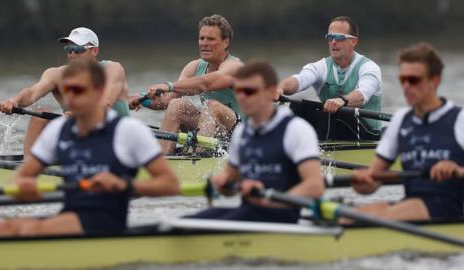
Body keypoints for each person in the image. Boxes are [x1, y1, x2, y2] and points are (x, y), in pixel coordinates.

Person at [0, 59, 179, 236]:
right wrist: (22, 184)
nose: (70, 96)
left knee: (30, 230)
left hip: (105, 222)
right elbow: (21, 175)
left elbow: (169, 184)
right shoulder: (59, 130)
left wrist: (125, 185)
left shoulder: (129, 131)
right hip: (70, 214)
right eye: (67, 89)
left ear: (99, 91)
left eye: (78, 90)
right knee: (3, 229)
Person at [186, 60, 325, 223]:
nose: (242, 97)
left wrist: (270, 200)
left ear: (271, 92)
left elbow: (315, 187)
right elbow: (231, 184)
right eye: (238, 91)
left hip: (282, 218)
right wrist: (222, 183)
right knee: (184, 222)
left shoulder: (296, 130)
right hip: (248, 213)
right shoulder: (241, 132)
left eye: (249, 91)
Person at [351, 43, 464, 221]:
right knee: (352, 215)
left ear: (434, 80)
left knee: (389, 212)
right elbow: (374, 179)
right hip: (410, 208)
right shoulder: (401, 120)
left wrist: (461, 171)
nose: (407, 87)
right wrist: (362, 183)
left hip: (445, 212)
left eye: (414, 80)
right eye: (403, 80)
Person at [0, 27, 131, 156]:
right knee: (39, 117)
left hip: (117, 140)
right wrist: (13, 100)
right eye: (69, 49)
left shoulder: (112, 69)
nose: (72, 55)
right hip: (82, 139)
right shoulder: (57, 74)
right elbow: (31, 93)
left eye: (78, 50)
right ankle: (28, 171)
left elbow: (106, 102)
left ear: (94, 51)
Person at [128, 14, 243, 154]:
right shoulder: (193, 67)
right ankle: (164, 160)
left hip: (242, 133)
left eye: (211, 39)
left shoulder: (234, 66)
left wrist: (168, 85)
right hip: (212, 129)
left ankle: (198, 159)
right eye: (201, 38)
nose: (204, 43)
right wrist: (140, 99)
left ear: (226, 42)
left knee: (212, 106)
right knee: (177, 105)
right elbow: (166, 100)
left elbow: (205, 84)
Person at [278, 16, 382, 141]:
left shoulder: (369, 67)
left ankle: (325, 155)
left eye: (339, 37)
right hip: (333, 128)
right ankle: (295, 149)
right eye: (330, 37)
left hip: (367, 135)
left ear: (354, 41)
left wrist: (342, 100)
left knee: (329, 112)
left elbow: (363, 93)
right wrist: (280, 88)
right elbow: (299, 80)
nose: (333, 42)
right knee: (298, 105)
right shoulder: (320, 67)